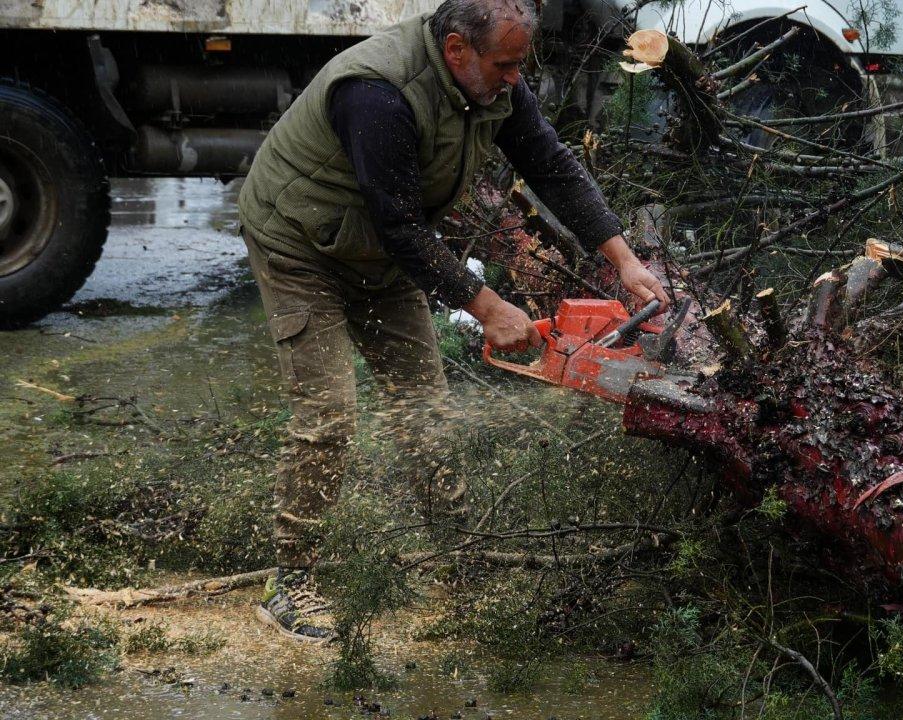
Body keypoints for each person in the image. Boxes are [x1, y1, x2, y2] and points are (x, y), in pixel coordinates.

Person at [237, 0, 669, 643]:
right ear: (457, 49)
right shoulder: (377, 93)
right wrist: (487, 306)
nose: (515, 79)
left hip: (383, 252)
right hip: (300, 244)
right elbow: (402, 224)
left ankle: (457, 556)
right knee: (328, 415)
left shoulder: (498, 80)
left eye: (520, 63)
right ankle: (291, 580)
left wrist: (624, 262)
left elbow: (552, 167)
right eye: (505, 64)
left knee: (426, 410)